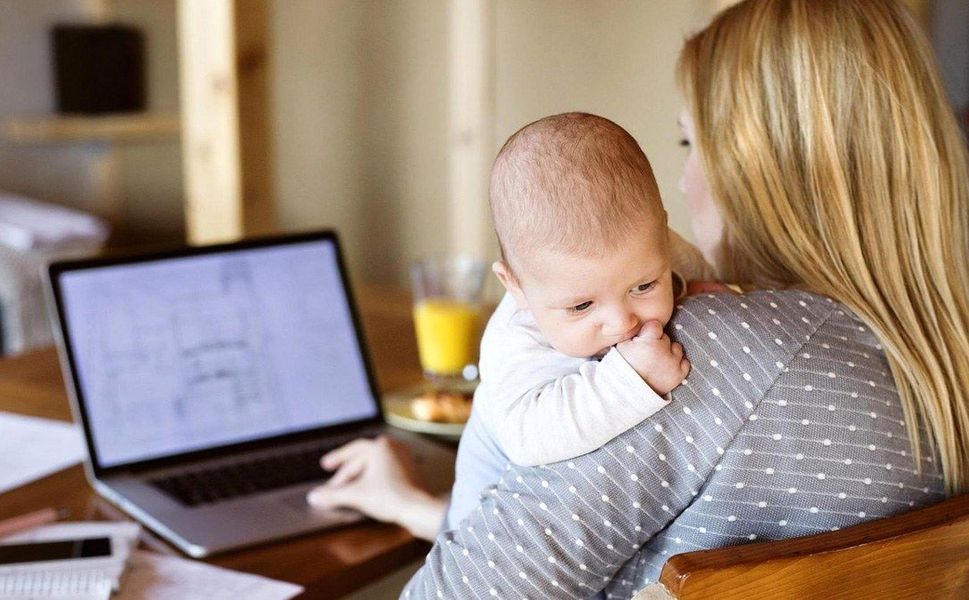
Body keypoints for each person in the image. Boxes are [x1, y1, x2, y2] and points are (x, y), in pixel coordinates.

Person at [310, 0, 969, 596]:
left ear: (757, 168)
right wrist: (418, 508)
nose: (682, 181)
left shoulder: (711, 354)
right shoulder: (934, 362)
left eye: (690, 143)